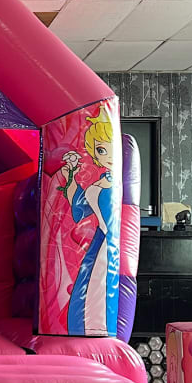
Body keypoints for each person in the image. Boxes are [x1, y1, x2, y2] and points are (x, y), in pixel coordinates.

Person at [56, 106, 119, 335]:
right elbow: (80, 206)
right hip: (100, 241)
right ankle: (84, 327)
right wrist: (71, 175)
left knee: (96, 286)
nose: (107, 155)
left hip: (106, 242)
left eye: (109, 148)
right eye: (101, 150)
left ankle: (95, 328)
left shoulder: (113, 185)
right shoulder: (100, 182)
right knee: (86, 285)